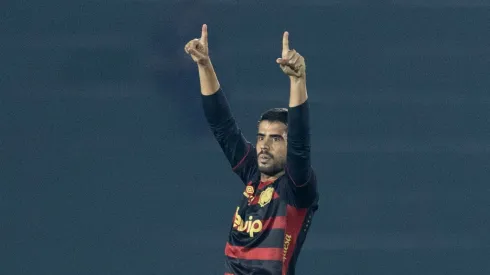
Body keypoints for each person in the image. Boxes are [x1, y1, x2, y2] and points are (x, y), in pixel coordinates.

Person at [184, 24, 319, 275]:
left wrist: (298, 80)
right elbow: (222, 126)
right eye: (261, 137)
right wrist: (204, 65)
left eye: (276, 139)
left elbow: (300, 144)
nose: (265, 145)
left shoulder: (296, 189)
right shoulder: (253, 174)